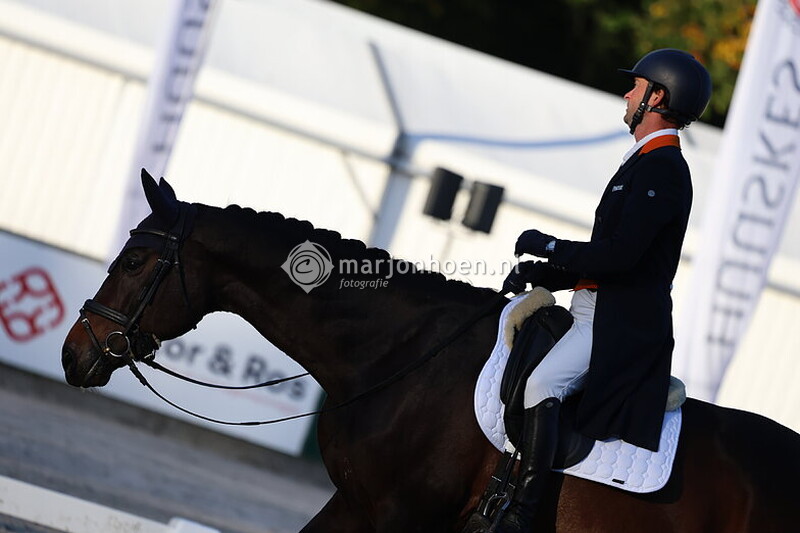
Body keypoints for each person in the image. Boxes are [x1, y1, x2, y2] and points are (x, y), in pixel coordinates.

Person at [495, 49, 712, 533]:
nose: (627, 93)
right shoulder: (643, 163)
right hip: (597, 307)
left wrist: (550, 245)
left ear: (657, 97)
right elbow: (611, 263)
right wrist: (545, 274)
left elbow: (621, 258)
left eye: (635, 87)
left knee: (542, 384)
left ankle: (524, 512)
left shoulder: (663, 169)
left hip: (621, 325)